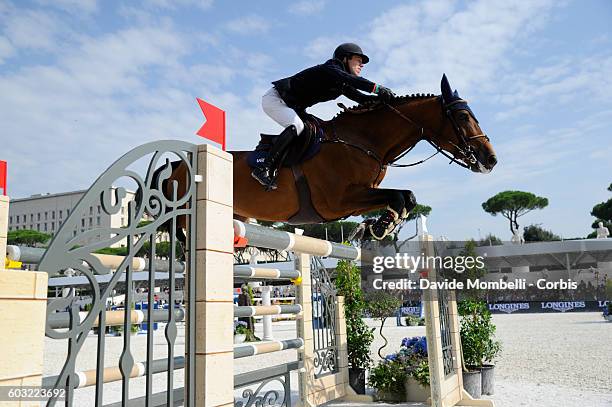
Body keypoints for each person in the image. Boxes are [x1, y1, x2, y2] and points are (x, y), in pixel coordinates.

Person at [252, 43, 395, 190]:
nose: (362, 65)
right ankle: (264, 167)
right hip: (276, 99)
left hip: (294, 106)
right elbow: (354, 81)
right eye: (358, 60)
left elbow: (361, 98)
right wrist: (377, 88)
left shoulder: (341, 83)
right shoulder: (331, 69)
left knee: (318, 131)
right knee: (297, 126)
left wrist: (384, 101)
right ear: (345, 59)